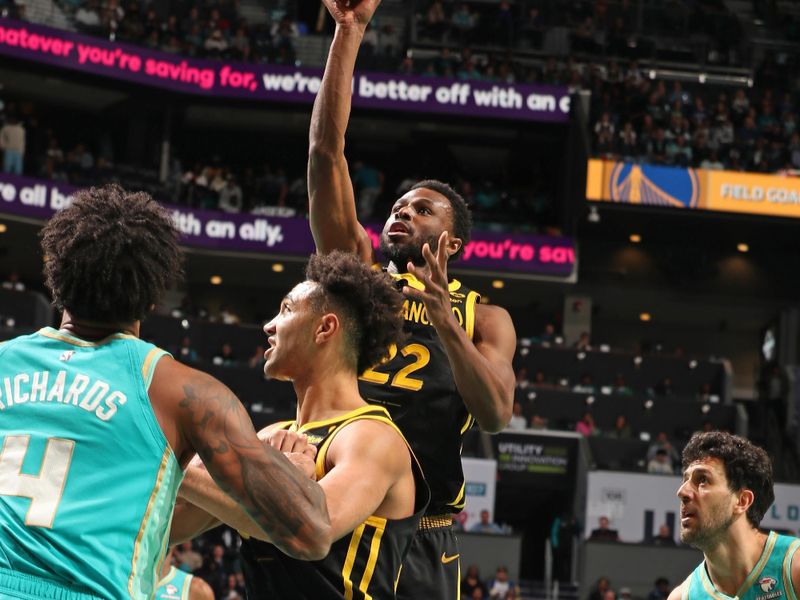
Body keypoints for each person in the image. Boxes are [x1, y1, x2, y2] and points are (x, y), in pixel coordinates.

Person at [0, 185, 332, 599]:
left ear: (56, 275)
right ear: (151, 293)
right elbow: (312, 534)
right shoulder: (185, 392)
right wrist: (295, 472)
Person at [307, 1, 517, 598]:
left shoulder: (485, 317)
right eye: (399, 206)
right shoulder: (361, 273)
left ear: (451, 240)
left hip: (427, 532)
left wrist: (447, 322)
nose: (402, 212)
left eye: (422, 209)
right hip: (343, 505)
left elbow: (498, 415)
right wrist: (349, 31)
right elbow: (326, 156)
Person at [172, 251, 430, 599]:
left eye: (286, 309)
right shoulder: (269, 436)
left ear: (325, 328)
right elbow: (173, 526)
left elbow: (309, 530)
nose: (269, 325)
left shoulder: (370, 437)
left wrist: (173, 459)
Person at [668, 431, 800, 600]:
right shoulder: (682, 597)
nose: (682, 492)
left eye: (702, 480)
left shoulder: (794, 566)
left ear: (742, 501)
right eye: (685, 480)